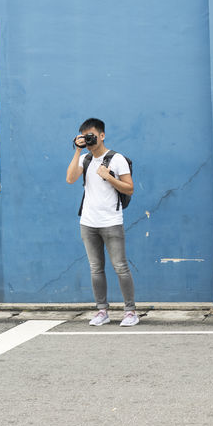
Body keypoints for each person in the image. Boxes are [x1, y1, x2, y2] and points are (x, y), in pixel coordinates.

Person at [65, 118, 138, 327]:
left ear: (102, 135)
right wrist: (77, 151)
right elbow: (70, 179)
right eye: (85, 136)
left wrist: (109, 177)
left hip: (111, 221)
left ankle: (130, 311)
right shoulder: (85, 159)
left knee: (120, 267)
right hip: (88, 222)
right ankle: (102, 310)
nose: (89, 140)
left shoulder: (117, 159)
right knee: (96, 268)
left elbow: (129, 188)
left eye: (92, 136)